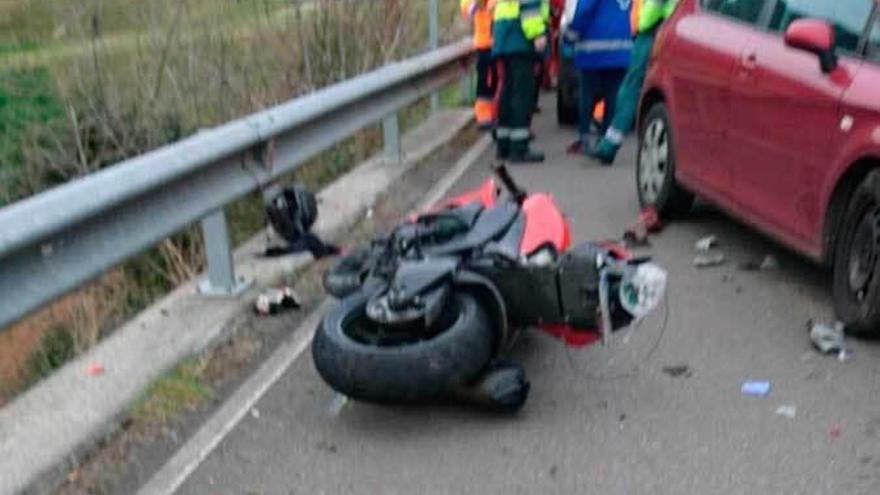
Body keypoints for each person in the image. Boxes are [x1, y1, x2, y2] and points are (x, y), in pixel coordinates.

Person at [591, 0, 678, 164]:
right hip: (672, 30)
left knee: (631, 88)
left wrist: (642, 23)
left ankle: (609, 145)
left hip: (654, 30)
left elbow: (652, 10)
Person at [566, 0, 633, 159]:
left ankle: (585, 138)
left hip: (593, 48)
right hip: (622, 48)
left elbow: (584, 12)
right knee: (612, 97)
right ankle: (606, 139)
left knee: (587, 95)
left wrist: (569, 36)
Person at [493, 0, 549, 163]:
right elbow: (529, 5)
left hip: (506, 35)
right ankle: (519, 148)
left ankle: (504, 144)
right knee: (521, 95)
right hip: (520, 37)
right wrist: (537, 33)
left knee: (508, 92)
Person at [461, 0, 498, 131]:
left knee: (498, 81)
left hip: (502, 42)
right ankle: (484, 117)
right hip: (485, 44)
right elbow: (468, 10)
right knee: (486, 82)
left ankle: (496, 114)